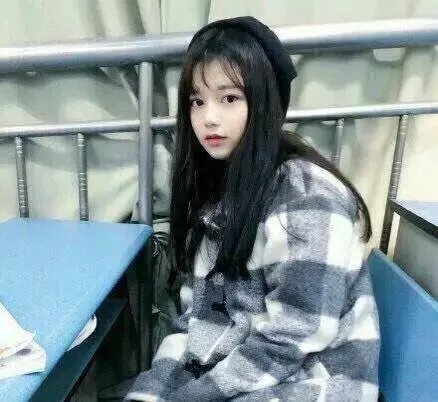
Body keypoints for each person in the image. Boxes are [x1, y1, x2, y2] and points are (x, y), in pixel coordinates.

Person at [126, 16, 380, 402]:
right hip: (246, 366)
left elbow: (294, 336)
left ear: (264, 103)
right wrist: (157, 388)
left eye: (229, 98)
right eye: (197, 101)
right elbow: (197, 321)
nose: (208, 118)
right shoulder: (220, 190)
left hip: (318, 379)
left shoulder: (308, 198)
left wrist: (193, 395)